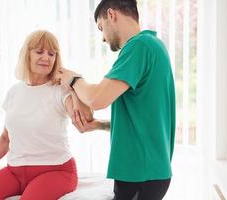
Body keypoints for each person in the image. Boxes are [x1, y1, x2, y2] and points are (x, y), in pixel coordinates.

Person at [56, 0, 176, 200]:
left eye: (101, 28)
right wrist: (99, 125)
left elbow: (96, 99)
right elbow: (145, 121)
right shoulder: (155, 46)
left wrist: (74, 79)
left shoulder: (139, 46)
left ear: (111, 14)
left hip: (140, 172)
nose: (103, 38)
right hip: (149, 171)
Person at [0, 30, 99, 200]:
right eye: (39, 51)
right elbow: (5, 138)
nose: (47, 57)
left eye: (52, 53)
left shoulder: (60, 91)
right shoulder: (15, 91)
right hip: (15, 171)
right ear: (27, 54)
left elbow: (85, 118)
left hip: (56, 171)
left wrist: (73, 85)